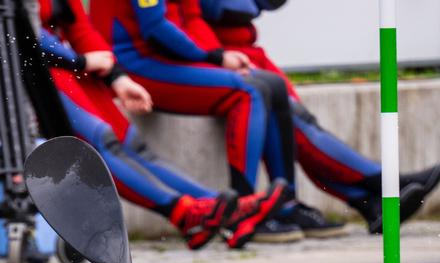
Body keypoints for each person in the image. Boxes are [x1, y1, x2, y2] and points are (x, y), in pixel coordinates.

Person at [37, 0, 290, 250]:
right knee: (101, 141)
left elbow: (81, 28)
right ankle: (185, 212)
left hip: (72, 65)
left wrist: (116, 77)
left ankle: (225, 209)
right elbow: (23, 35)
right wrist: (80, 61)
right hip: (40, 71)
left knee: (133, 144)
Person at [89, 0, 346, 242]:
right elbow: (155, 29)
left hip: (161, 57)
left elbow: (191, 18)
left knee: (272, 83)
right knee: (249, 91)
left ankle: (284, 204)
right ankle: (241, 213)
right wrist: (213, 57)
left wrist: (216, 54)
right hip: (135, 63)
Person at [195, 0, 440, 233]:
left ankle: (370, 200)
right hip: (216, 54)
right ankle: (380, 186)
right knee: (295, 123)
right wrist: (218, 53)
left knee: (301, 121)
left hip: (242, 52)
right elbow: (218, 10)